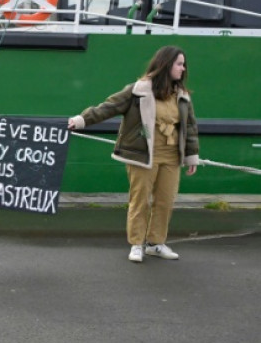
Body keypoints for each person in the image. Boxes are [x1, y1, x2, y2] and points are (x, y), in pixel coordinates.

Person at [68, 45, 198, 263]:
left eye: (183, 65)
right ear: (166, 65)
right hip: (143, 154)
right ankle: (137, 243)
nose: (183, 69)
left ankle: (155, 243)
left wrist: (191, 155)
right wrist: (82, 120)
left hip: (171, 156)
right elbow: (109, 107)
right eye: (179, 64)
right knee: (140, 200)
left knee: (165, 201)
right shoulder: (139, 90)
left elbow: (190, 127)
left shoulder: (182, 96)